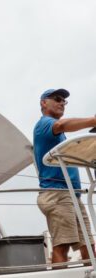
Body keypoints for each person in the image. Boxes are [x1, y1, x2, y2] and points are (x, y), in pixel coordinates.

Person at [33, 88, 96, 264]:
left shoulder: (58, 134)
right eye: (57, 99)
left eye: (64, 101)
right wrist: (93, 120)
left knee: (89, 245)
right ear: (43, 103)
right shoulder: (44, 124)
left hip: (71, 194)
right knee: (62, 245)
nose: (62, 103)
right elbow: (61, 125)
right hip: (57, 193)